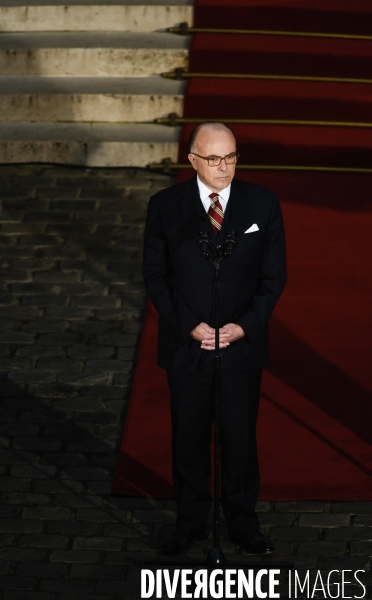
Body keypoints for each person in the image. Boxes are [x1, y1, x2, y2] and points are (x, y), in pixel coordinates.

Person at [142, 122, 287, 555]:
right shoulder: (165, 206)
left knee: (240, 439)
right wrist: (189, 324)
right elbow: (156, 275)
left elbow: (273, 276)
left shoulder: (262, 203)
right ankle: (190, 522)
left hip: (240, 345)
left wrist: (243, 326)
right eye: (213, 158)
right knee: (188, 438)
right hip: (189, 345)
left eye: (231, 156)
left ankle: (243, 522)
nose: (224, 167)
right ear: (192, 160)